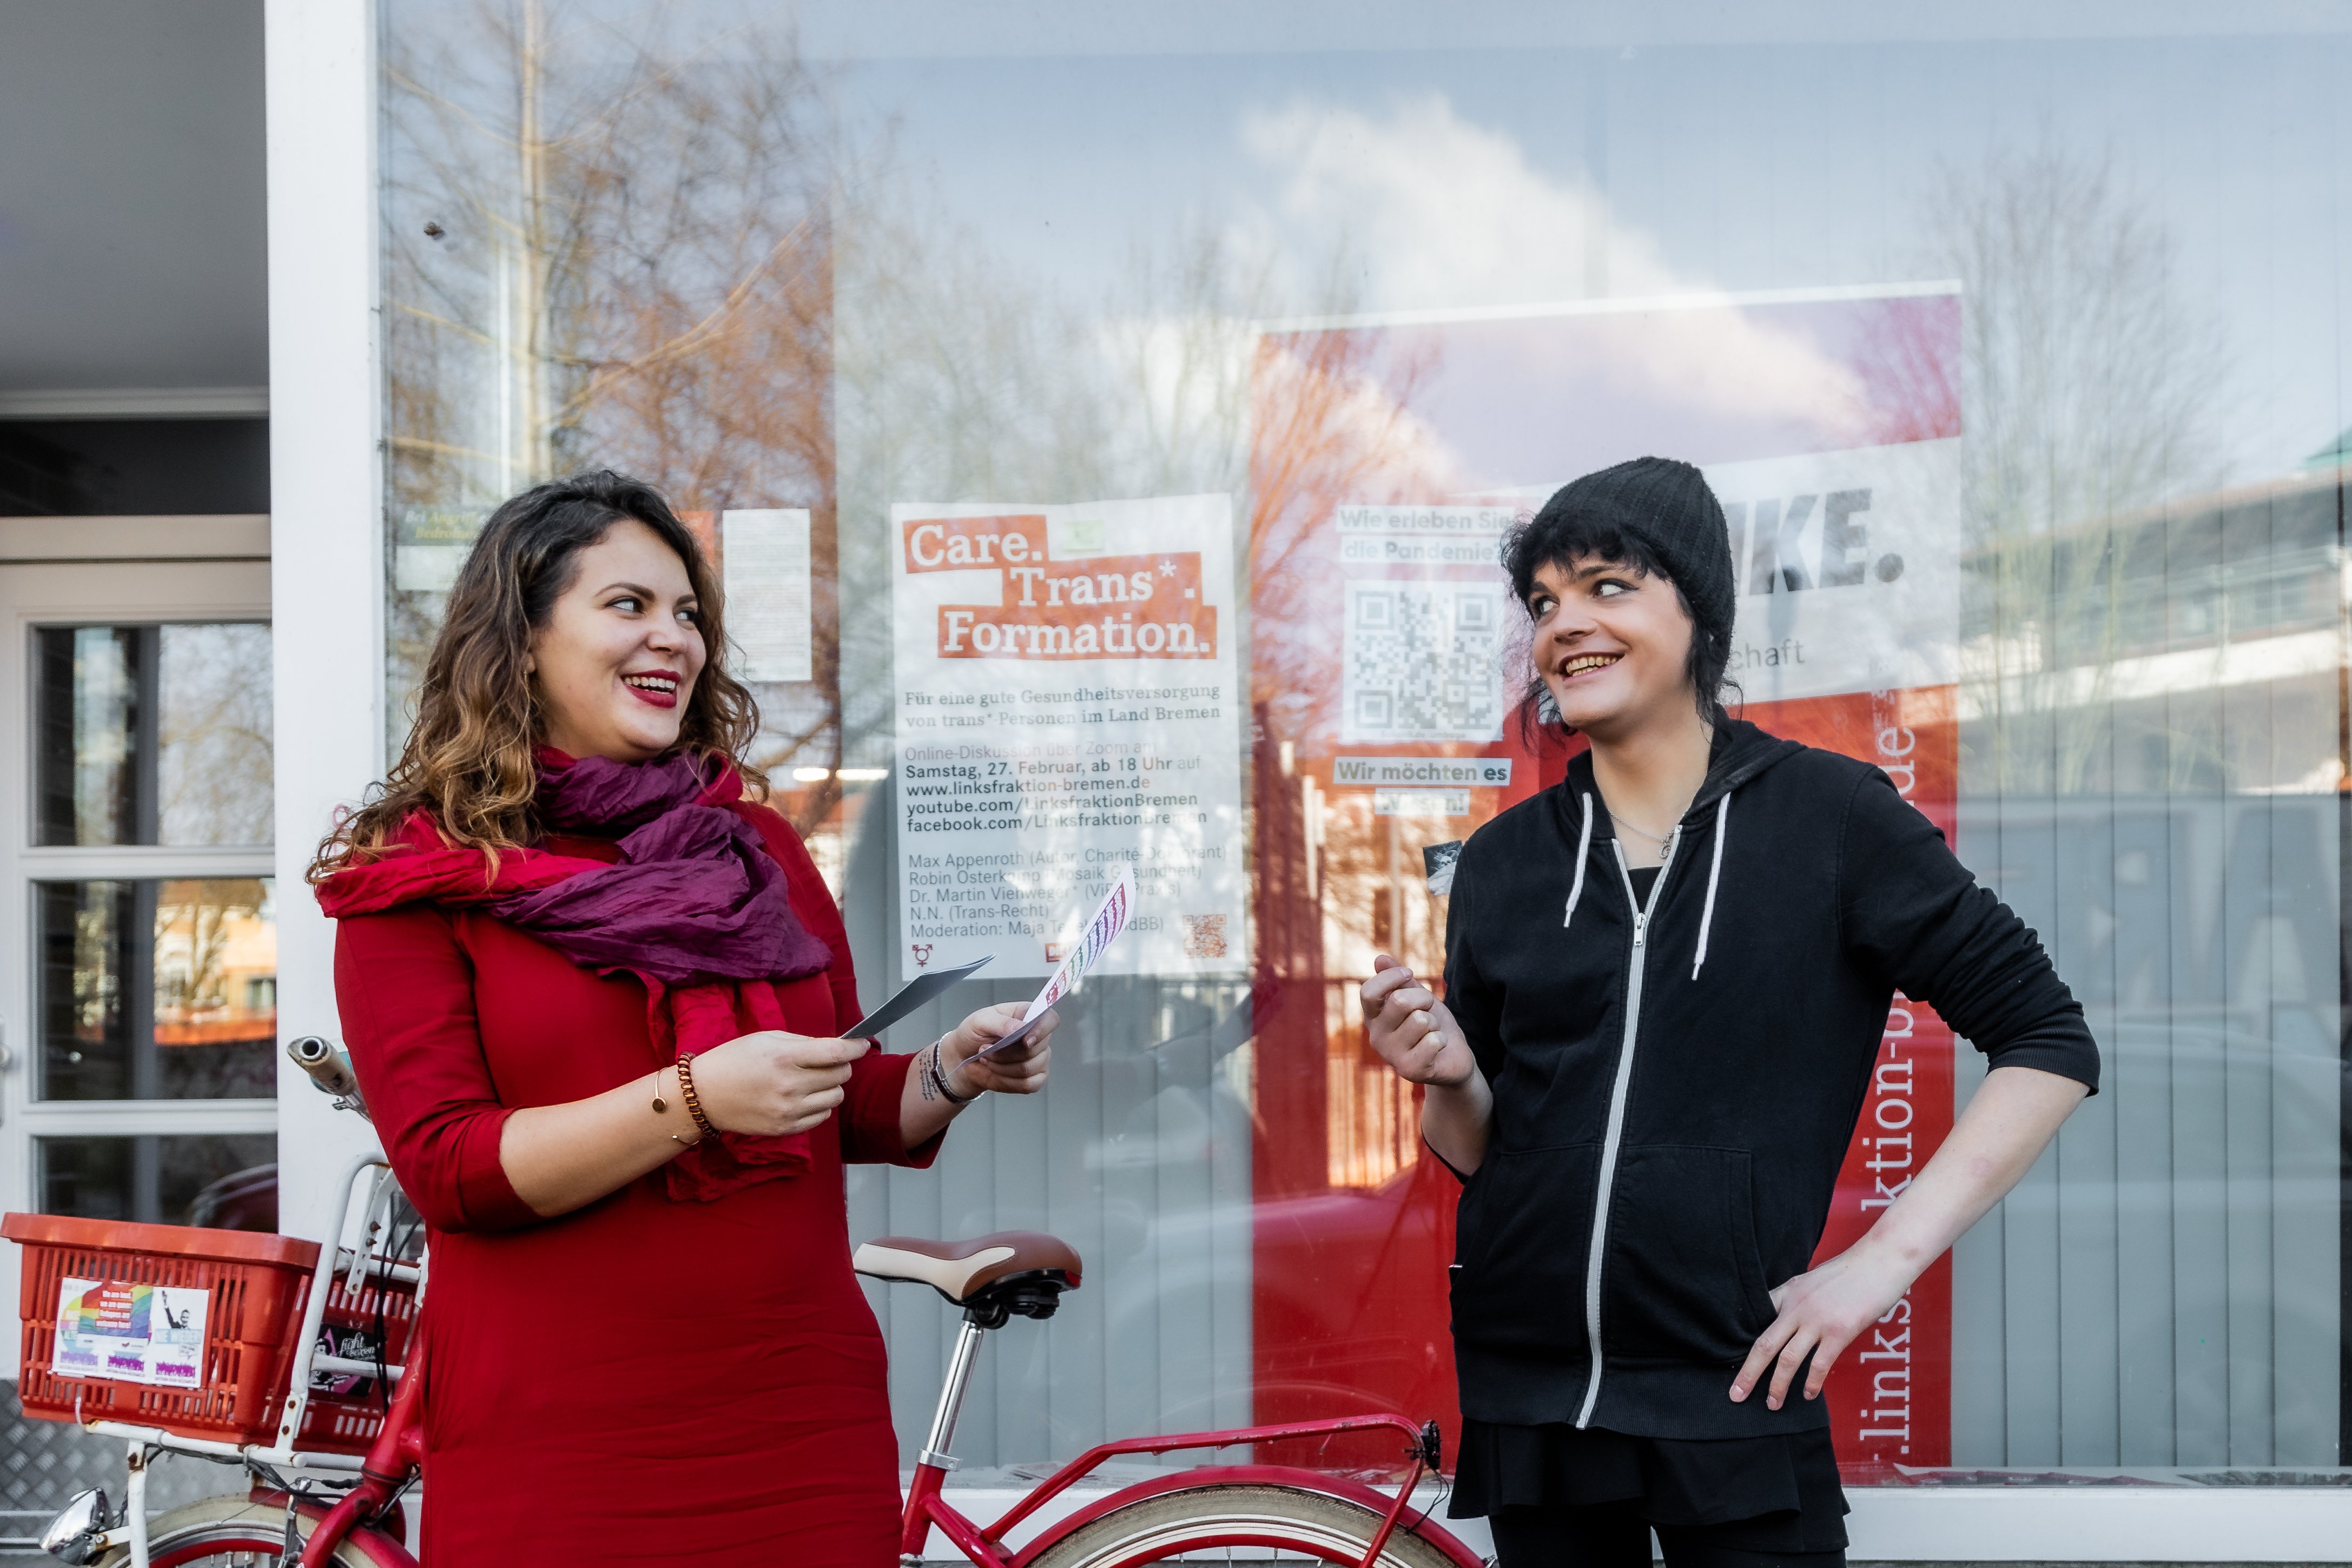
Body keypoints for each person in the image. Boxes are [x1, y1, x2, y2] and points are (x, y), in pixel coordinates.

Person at [1360, 458, 2098, 1568]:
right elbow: (1478, 1150)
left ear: (1696, 609)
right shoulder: (1504, 864)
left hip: (1733, 1385)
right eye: (1544, 602)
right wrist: (1452, 1078)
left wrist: (1880, 1262)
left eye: (1605, 586)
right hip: (1534, 1401)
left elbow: (2047, 1039)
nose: (1564, 625)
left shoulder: (1832, 821)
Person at [311, 472, 1053, 1565]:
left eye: (689, 614)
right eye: (629, 605)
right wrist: (696, 1099)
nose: (676, 639)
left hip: (796, 1425)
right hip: (560, 1449)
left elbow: (831, 1102)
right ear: (518, 639)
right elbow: (448, 1166)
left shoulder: (760, 855)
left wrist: (947, 1069)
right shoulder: (421, 883)